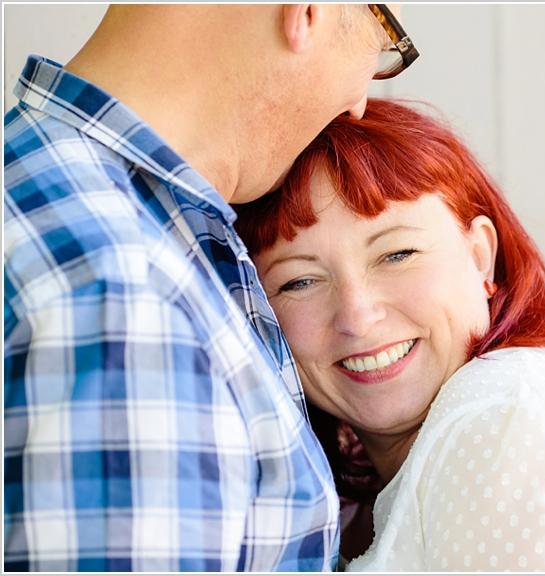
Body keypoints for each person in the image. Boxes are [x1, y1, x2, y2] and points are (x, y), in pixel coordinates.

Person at [4, 5, 418, 571]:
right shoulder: (125, 290)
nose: (358, 103)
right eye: (381, 34)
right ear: (308, 11)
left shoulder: (43, 195)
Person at [234, 99, 545, 571]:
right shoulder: (361, 485)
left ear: (480, 256)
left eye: (397, 254)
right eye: (300, 281)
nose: (357, 316)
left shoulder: (506, 423)